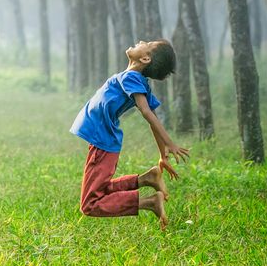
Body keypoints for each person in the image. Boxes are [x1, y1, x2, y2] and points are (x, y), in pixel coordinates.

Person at [69, 39, 189, 230]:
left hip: (103, 142)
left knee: (90, 204)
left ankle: (149, 203)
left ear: (145, 58)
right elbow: (153, 118)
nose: (141, 41)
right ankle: (146, 179)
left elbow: (148, 113)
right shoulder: (136, 80)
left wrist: (170, 143)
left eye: (147, 43)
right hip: (103, 140)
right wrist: (162, 154)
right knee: (100, 190)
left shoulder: (132, 78)